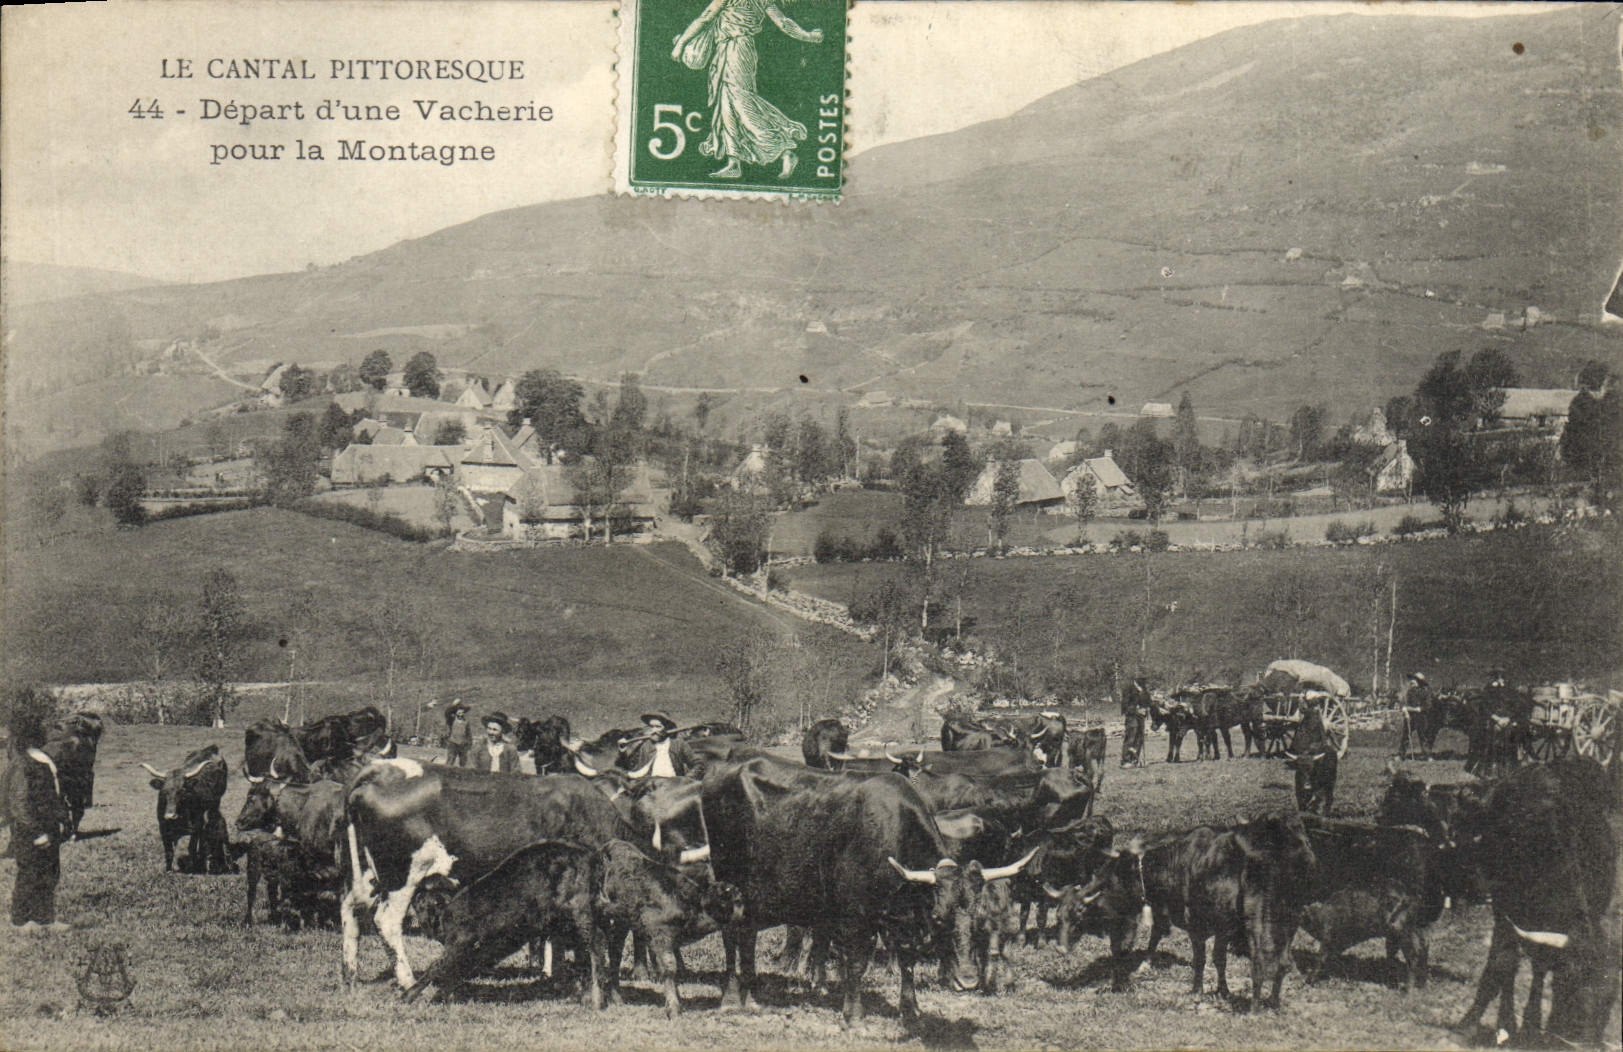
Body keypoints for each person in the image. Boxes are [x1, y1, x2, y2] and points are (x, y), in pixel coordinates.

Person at [671, 0, 824, 180]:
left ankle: (784, 151)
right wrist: (808, 36)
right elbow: (783, 23)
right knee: (727, 106)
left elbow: (704, 19)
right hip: (734, 50)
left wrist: (680, 44)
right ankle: (733, 162)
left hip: (735, 51)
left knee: (742, 105)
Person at [4, 691, 72, 933]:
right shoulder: (22, 764)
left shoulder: (42, 759)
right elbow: (18, 804)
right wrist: (36, 832)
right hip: (30, 831)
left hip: (48, 828)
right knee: (30, 873)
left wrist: (63, 822)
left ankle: (45, 919)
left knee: (49, 873)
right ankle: (22, 920)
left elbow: (54, 794)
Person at [624, 711, 695, 778]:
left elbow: (698, 764)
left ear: (667, 728)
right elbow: (631, 768)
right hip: (650, 785)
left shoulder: (679, 744)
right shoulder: (646, 746)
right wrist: (622, 752)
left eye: (658, 727)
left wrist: (686, 779)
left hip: (673, 785)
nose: (654, 730)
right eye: (651, 727)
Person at [1399, 672, 1432, 761]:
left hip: (1421, 717)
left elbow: (1428, 706)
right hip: (1410, 717)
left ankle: (1427, 756)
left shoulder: (1425, 692)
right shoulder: (1409, 692)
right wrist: (1404, 709)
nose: (1412, 682)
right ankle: (1401, 755)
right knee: (1406, 736)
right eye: (1412, 680)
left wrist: (1418, 709)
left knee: (1423, 737)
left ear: (1419, 682)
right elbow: (1404, 703)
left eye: (1415, 680)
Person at [1120, 673, 1150, 768]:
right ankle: (1126, 760)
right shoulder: (1128, 688)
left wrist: (1146, 708)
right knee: (1131, 737)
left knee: (1139, 738)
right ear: (1136, 679)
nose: (1143, 681)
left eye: (1144, 679)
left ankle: (1135, 759)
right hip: (1131, 717)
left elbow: (1148, 701)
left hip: (1141, 717)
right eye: (1141, 679)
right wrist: (1136, 710)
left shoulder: (1143, 689)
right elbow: (1125, 705)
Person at [443, 700, 471, 767]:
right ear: (456, 712)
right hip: (453, 743)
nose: (461, 712)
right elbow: (447, 713)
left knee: (463, 762)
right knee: (450, 760)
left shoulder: (466, 722)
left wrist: (468, 744)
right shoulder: (452, 720)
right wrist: (453, 705)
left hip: (463, 744)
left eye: (462, 711)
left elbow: (468, 734)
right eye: (459, 710)